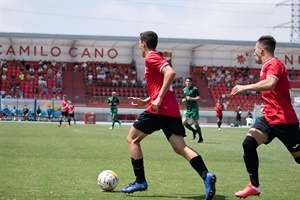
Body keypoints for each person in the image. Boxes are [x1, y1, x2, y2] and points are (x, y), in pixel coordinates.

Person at [121, 31, 216, 200]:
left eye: (139, 43)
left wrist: (157, 99)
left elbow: (170, 73)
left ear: (143, 44)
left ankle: (140, 181)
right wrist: (146, 101)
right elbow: (162, 85)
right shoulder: (157, 56)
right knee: (180, 147)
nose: (139, 46)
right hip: (171, 109)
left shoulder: (151, 57)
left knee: (132, 139)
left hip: (160, 109)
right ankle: (206, 175)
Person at [231, 35, 300, 198]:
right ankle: (254, 186)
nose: (253, 53)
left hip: (284, 121)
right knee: (248, 144)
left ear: (261, 50)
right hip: (270, 117)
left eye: (255, 50)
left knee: (299, 158)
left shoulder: (274, 64)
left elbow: (270, 83)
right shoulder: (268, 66)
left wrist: (245, 87)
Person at [182, 77, 203, 143]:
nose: (188, 82)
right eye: (187, 81)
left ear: (191, 82)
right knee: (184, 122)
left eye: (189, 81)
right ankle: (193, 131)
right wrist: (184, 99)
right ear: (185, 82)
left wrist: (191, 98)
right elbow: (186, 98)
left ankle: (200, 138)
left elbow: (199, 98)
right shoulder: (184, 90)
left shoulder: (194, 89)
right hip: (188, 108)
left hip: (194, 108)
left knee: (196, 123)